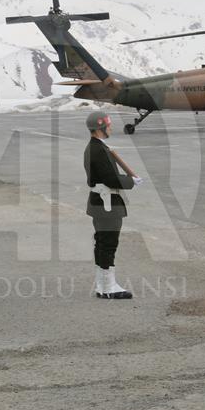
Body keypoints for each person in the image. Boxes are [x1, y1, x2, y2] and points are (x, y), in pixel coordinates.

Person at [84, 110, 142, 299]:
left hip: (99, 203)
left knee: (102, 243)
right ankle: (108, 287)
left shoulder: (95, 147)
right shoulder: (99, 150)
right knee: (108, 244)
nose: (111, 127)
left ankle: (103, 286)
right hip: (107, 204)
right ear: (101, 126)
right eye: (108, 125)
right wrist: (131, 181)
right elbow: (111, 179)